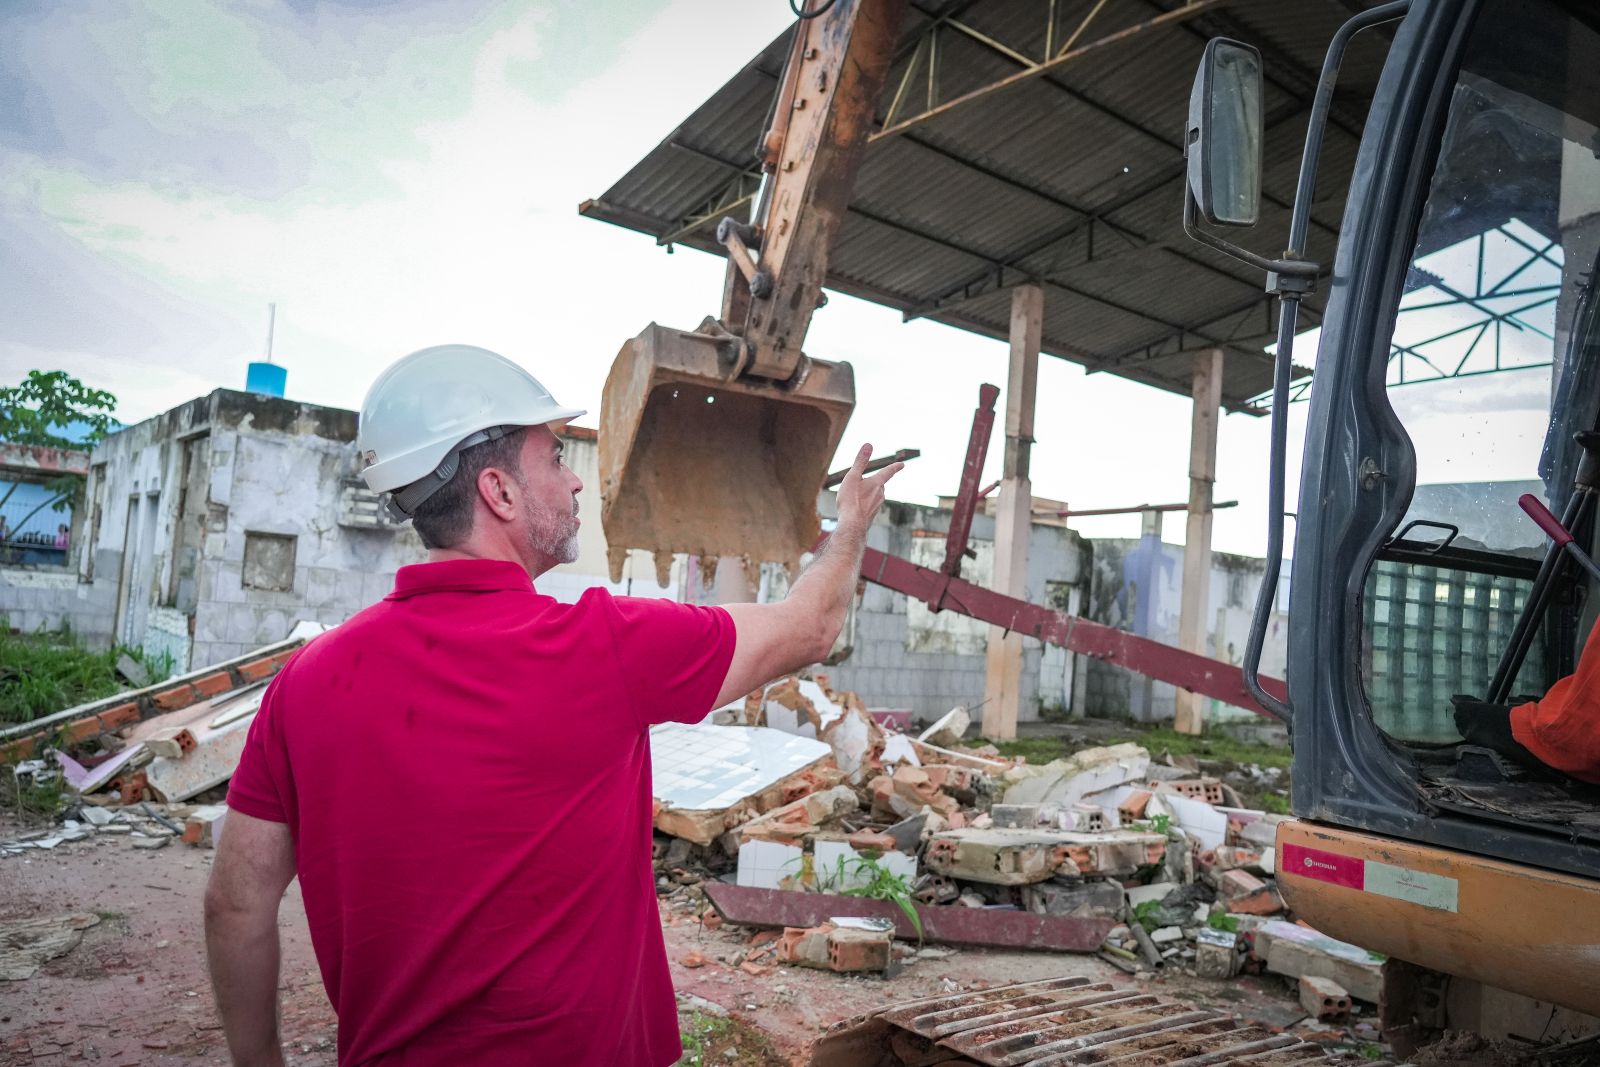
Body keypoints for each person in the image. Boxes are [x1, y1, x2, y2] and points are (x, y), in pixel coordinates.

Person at [203, 344, 901, 1067]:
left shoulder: (308, 679)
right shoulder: (605, 646)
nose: (575, 482)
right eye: (556, 457)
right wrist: (849, 524)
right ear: (499, 491)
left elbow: (236, 904)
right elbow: (810, 625)